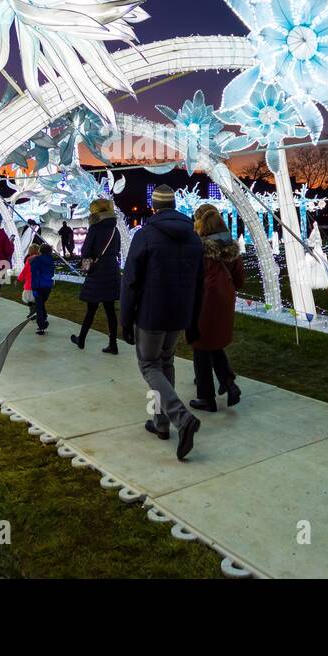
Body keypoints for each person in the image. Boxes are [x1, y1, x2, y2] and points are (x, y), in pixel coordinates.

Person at [120, 185, 204, 461]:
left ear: (154, 207)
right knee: (165, 363)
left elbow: (131, 280)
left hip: (151, 313)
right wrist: (193, 316)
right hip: (179, 313)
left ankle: (180, 418)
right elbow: (199, 282)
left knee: (149, 365)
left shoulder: (145, 236)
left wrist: (125, 318)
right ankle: (161, 423)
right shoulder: (193, 237)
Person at [188, 204, 244, 412]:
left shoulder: (202, 251)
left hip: (205, 304)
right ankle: (229, 384)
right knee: (213, 344)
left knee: (200, 347)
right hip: (225, 302)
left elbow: (196, 280)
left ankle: (206, 398)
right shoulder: (231, 248)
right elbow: (239, 279)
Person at [70, 198, 121, 354]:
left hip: (97, 271)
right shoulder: (115, 229)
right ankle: (113, 344)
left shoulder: (95, 228)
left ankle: (82, 339)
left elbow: (85, 252)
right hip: (111, 270)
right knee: (110, 309)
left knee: (91, 309)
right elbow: (117, 249)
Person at [29, 243, 55, 335]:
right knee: (41, 303)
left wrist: (34, 288)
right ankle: (44, 317)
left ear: (40, 251)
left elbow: (34, 274)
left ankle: (41, 326)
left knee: (39, 306)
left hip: (39, 286)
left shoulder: (37, 260)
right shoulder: (51, 260)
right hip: (48, 286)